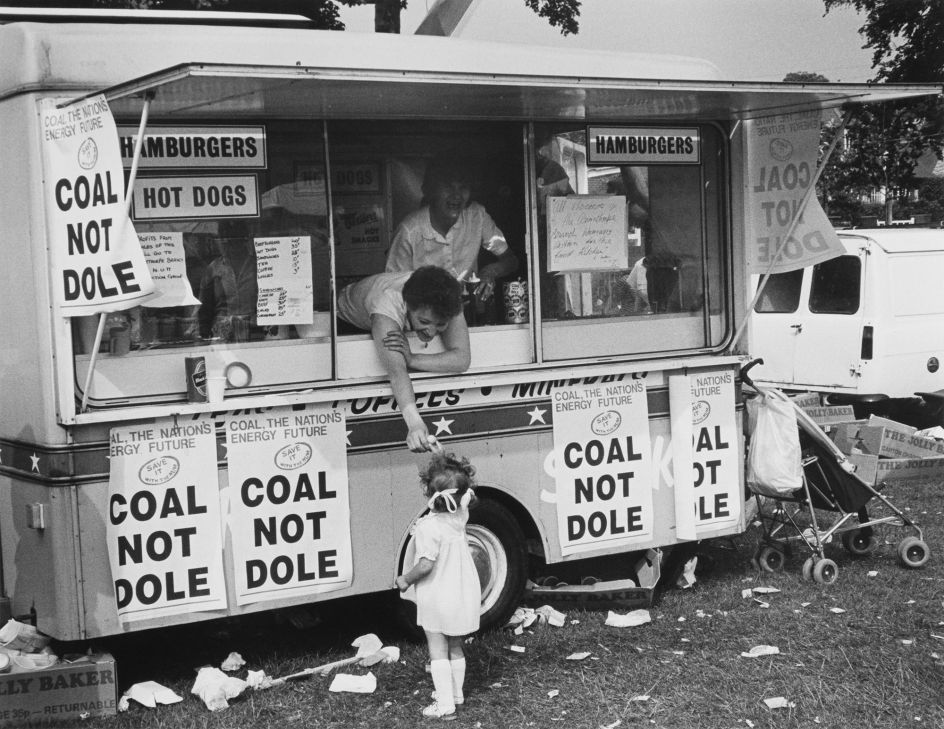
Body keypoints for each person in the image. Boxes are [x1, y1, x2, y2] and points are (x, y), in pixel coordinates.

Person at [337, 266, 470, 452]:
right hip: (345, 320)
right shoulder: (387, 303)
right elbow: (397, 371)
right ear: (407, 306)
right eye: (424, 322)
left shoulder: (449, 300)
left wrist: (412, 359)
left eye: (440, 325)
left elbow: (461, 359)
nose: (431, 332)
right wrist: (415, 423)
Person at [395, 452, 480, 720]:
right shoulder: (460, 515)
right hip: (461, 589)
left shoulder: (428, 527)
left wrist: (405, 579)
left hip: (437, 593)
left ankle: (445, 705)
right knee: (455, 645)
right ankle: (456, 694)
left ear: (428, 492)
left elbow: (425, 565)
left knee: (437, 648)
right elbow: (469, 495)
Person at [386, 156, 517, 302]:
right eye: (448, 187)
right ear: (431, 190)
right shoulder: (409, 231)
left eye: (463, 187)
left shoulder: (477, 216)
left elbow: (510, 260)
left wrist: (490, 272)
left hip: (467, 313)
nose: (456, 195)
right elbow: (393, 288)